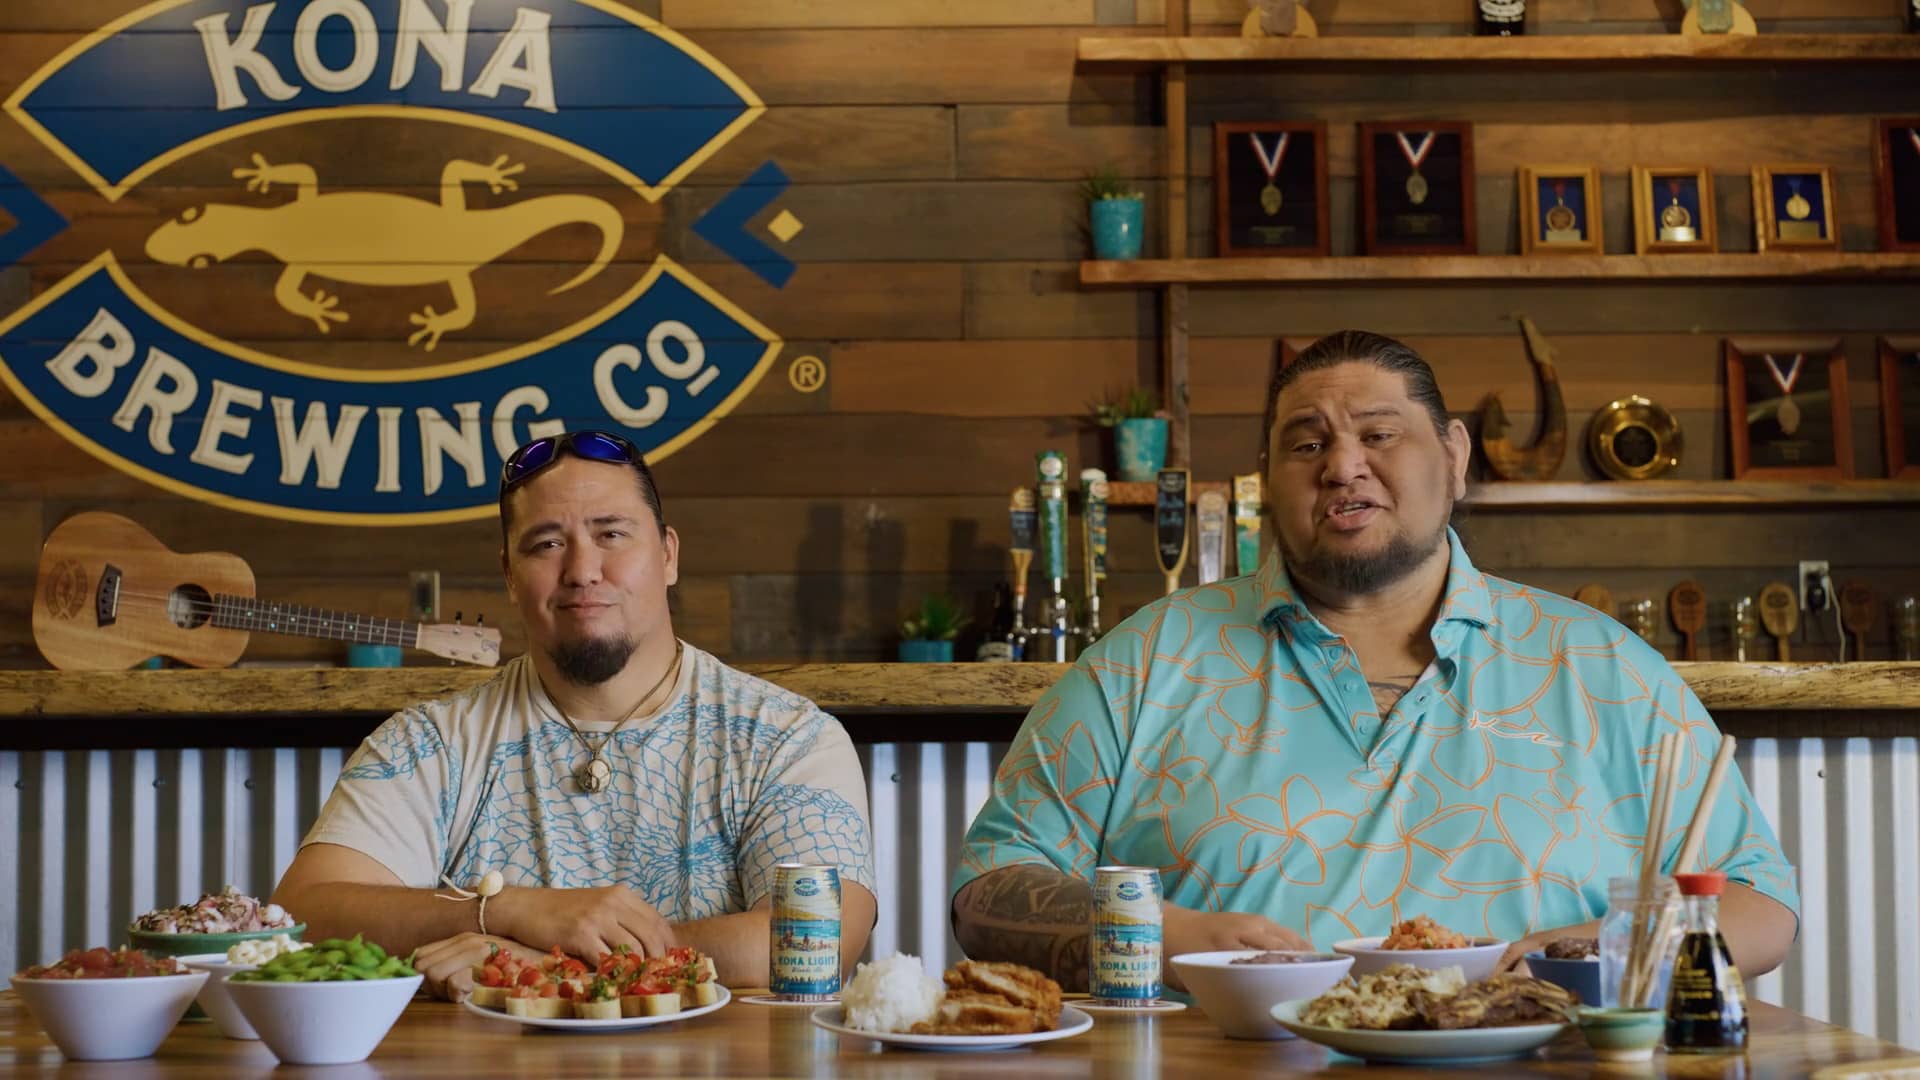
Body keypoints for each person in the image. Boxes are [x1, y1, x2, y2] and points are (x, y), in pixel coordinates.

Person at [950, 330, 1798, 990]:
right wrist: (1165, 936)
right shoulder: (1141, 664)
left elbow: (1761, 904)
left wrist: (1594, 950)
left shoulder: (1604, 668)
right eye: (1305, 444)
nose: (1343, 466)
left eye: (1380, 434)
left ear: (1455, 457)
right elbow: (988, 891)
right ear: (1267, 479)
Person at [274, 430, 877, 999]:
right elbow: (304, 915)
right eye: (547, 544)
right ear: (510, 576)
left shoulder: (787, 739)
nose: (583, 571)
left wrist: (552, 966)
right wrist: (505, 910)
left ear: (667, 555)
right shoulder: (427, 744)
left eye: (611, 534)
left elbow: (818, 941)